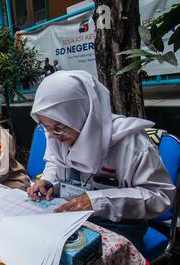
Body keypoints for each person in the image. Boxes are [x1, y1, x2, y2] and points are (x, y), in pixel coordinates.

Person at [27, 70, 176, 250]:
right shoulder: (57, 135)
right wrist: (48, 180)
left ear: (85, 114)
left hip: (118, 224)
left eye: (59, 127)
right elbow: (55, 161)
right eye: (47, 127)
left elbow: (160, 197)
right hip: (71, 214)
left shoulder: (130, 145)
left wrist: (100, 201)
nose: (53, 136)